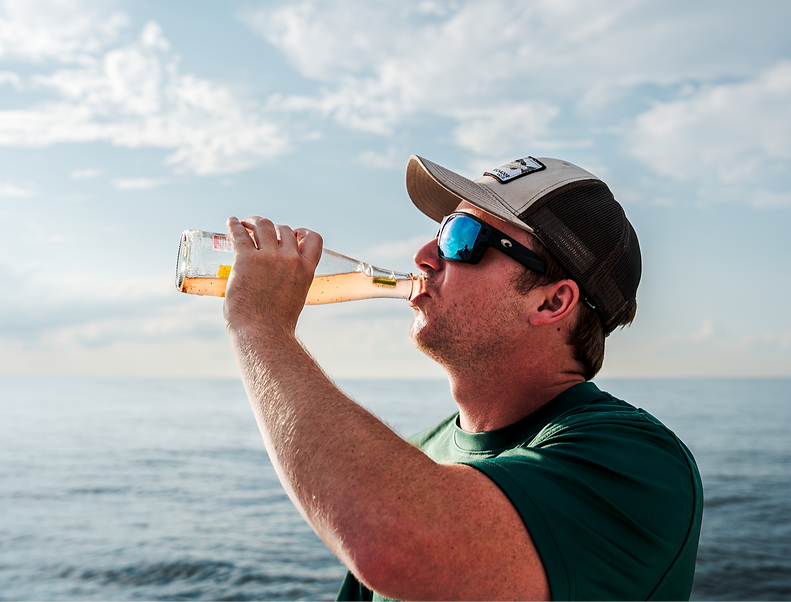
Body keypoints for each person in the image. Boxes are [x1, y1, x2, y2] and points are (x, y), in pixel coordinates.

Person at [220, 154, 703, 602]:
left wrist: (259, 324)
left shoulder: (640, 465)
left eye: (462, 238)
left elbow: (396, 543)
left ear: (552, 302)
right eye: (441, 229)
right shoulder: (414, 460)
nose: (425, 254)